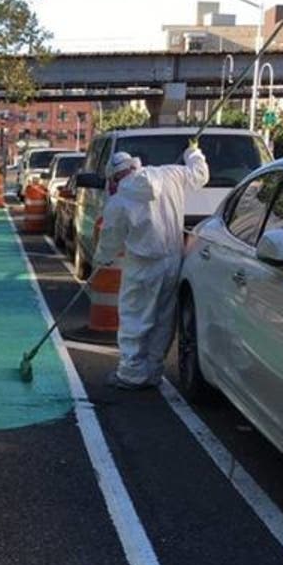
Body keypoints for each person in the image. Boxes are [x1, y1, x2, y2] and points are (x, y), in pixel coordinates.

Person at [94, 142, 209, 390]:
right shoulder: (170, 174)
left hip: (143, 266)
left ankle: (131, 373)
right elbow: (200, 175)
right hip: (174, 261)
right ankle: (154, 370)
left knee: (135, 317)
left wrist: (102, 258)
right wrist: (193, 152)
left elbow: (111, 237)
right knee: (163, 319)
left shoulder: (119, 201)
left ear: (115, 177)